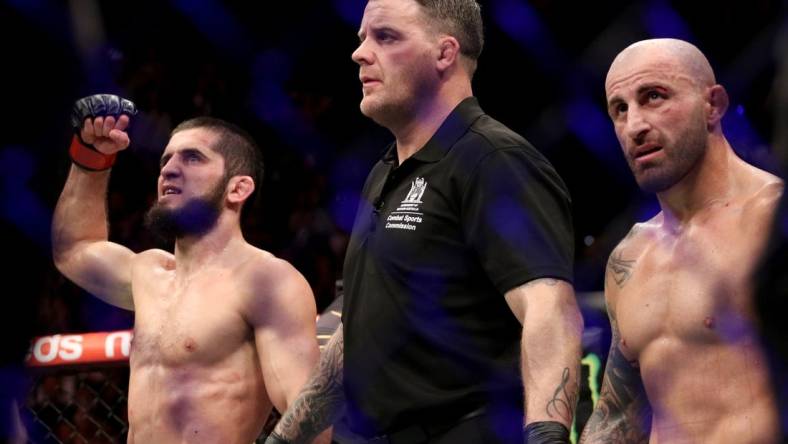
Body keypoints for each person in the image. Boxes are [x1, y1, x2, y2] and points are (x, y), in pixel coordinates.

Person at [265, 1, 583, 443]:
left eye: (386, 36)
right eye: (361, 39)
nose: (360, 53)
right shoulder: (383, 174)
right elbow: (356, 333)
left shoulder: (492, 159)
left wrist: (546, 437)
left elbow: (548, 308)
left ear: (445, 53)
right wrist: (284, 439)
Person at [52, 94, 329, 444]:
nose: (168, 169)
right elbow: (74, 250)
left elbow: (308, 420)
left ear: (238, 188)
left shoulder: (266, 280)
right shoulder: (149, 273)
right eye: (166, 159)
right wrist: (92, 155)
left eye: (193, 158)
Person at [579, 39, 783, 444]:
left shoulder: (773, 223)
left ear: (714, 105)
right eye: (619, 109)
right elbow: (619, 417)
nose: (635, 126)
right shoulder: (630, 257)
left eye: (654, 97)